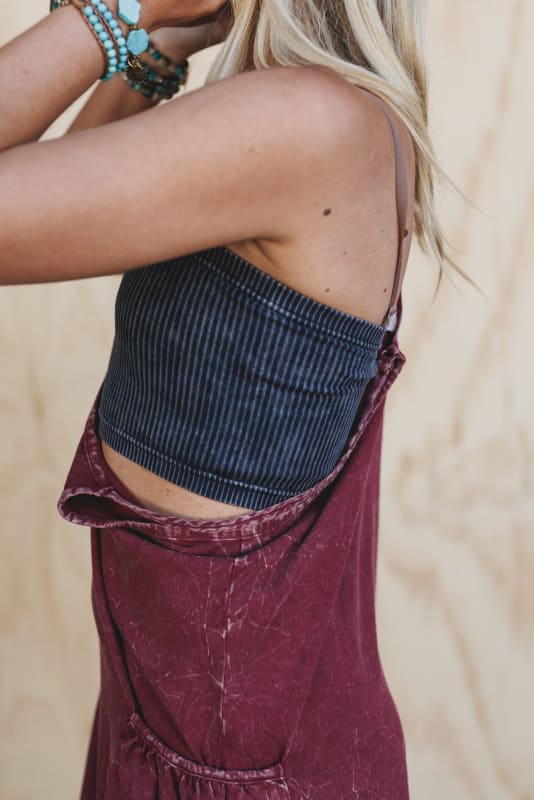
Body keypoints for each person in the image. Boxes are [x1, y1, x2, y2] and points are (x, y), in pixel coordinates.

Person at [0, 1, 469, 797]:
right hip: (185, 737)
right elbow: (47, 206)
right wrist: (155, 47)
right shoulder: (324, 120)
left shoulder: (306, 121)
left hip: (229, 767)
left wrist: (118, 11)